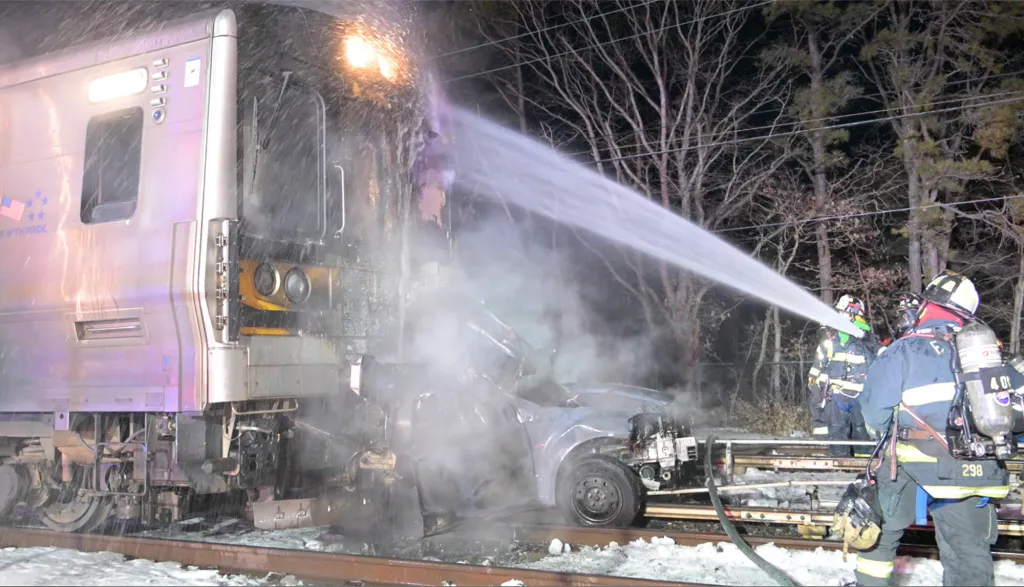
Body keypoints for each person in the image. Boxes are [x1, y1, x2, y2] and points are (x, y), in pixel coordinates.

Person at [854, 272, 1010, 586]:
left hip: (913, 463)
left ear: (928, 306)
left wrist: (888, 432)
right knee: (969, 558)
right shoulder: (985, 355)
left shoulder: (905, 349)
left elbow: (873, 411)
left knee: (877, 535)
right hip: (978, 468)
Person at [806, 295, 881, 458]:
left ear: (854, 314)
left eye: (843, 312)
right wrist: (815, 380)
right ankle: (840, 463)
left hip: (861, 396)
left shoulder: (866, 338)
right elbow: (820, 361)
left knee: (861, 430)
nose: (839, 315)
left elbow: (880, 360)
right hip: (837, 394)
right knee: (836, 429)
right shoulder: (832, 338)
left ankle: (864, 466)